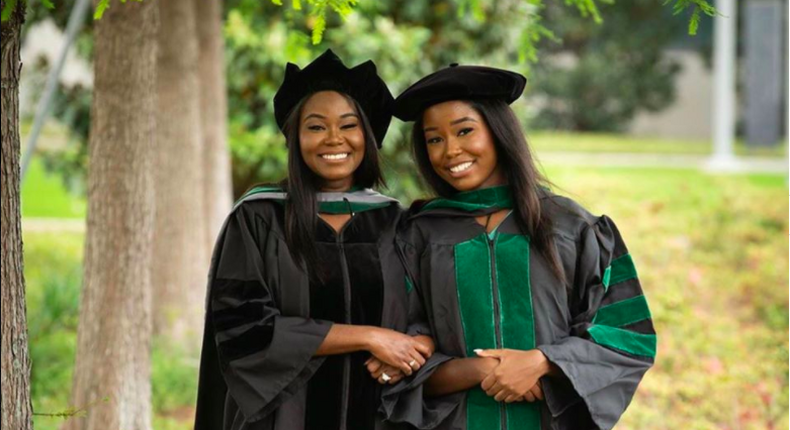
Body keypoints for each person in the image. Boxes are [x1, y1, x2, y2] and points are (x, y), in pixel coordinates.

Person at [379, 64, 656, 430]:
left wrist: (542, 362)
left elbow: (625, 337)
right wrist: (485, 370)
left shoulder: (572, 227)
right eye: (434, 139)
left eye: (465, 131)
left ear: (498, 131)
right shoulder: (417, 236)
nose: (451, 150)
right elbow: (398, 358)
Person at [194, 49, 433, 430]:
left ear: (368, 135)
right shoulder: (259, 218)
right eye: (316, 126)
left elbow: (429, 314)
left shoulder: (395, 222)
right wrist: (369, 337)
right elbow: (243, 327)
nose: (334, 139)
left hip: (375, 414)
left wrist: (416, 346)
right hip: (280, 418)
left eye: (349, 125)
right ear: (296, 138)